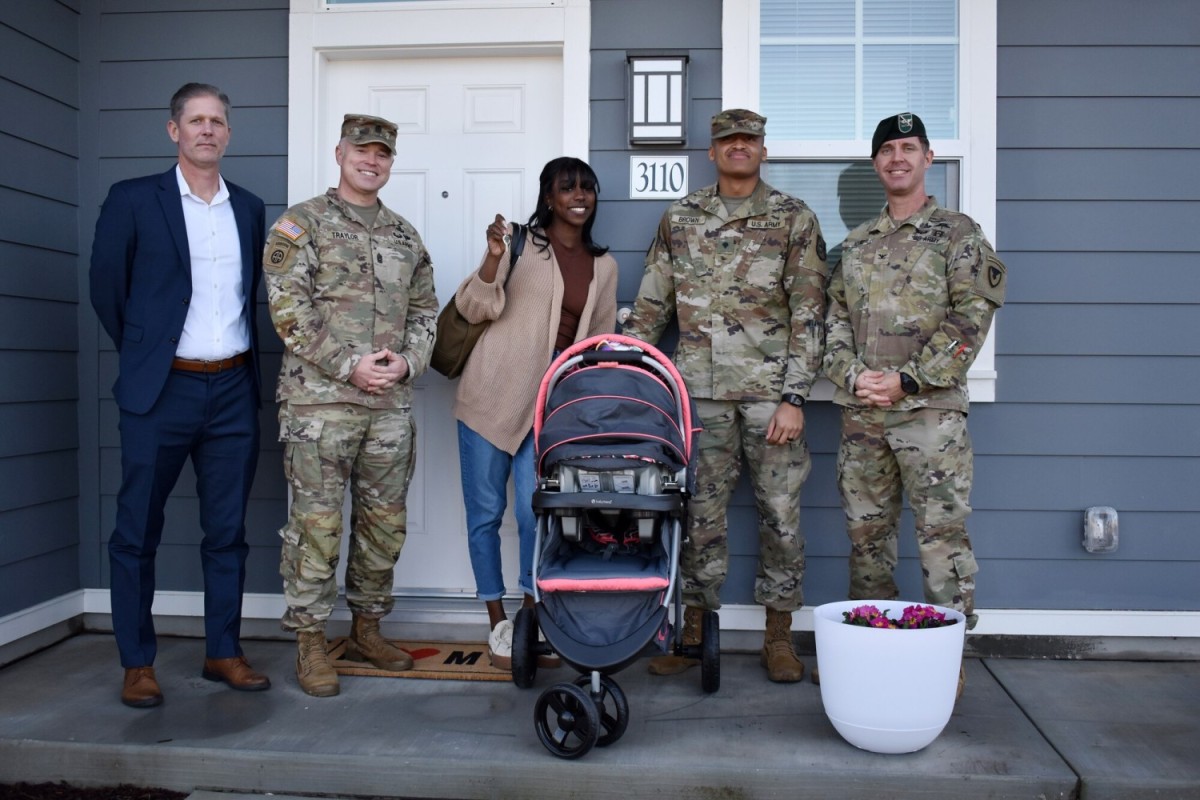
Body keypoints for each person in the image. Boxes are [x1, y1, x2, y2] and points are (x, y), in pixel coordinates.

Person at [622, 109, 828, 683]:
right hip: (698, 397)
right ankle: (694, 632)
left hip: (770, 400)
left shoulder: (793, 219)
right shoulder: (682, 217)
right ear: (711, 152)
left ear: (764, 148)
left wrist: (794, 396)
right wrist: (626, 368)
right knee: (698, 517)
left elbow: (810, 313)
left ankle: (779, 637)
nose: (739, 147)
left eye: (749, 139)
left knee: (781, 517)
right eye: (727, 140)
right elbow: (652, 305)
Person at [90, 82, 269, 708]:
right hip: (160, 390)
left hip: (232, 391)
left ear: (228, 131)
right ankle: (137, 661)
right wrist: (150, 354)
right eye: (195, 121)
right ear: (174, 131)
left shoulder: (248, 207)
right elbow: (108, 292)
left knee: (227, 531)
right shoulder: (133, 200)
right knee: (136, 530)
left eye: (217, 121)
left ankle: (223, 650)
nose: (207, 131)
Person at [822, 112, 1007, 692]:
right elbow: (831, 325)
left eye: (909, 148)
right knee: (866, 541)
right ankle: (874, 655)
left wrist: (908, 380)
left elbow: (970, 318)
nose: (897, 158)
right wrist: (853, 377)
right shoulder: (853, 247)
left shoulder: (958, 233)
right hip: (863, 419)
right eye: (887, 150)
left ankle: (944, 664)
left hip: (930, 416)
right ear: (875, 164)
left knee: (941, 542)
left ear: (928, 158)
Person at [263, 114, 439, 697]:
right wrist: (348, 364)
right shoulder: (301, 225)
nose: (372, 161)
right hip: (319, 407)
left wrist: (409, 362)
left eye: (383, 154)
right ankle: (311, 643)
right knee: (315, 527)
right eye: (362, 150)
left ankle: (368, 628)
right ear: (339, 152)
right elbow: (289, 310)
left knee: (383, 527)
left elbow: (424, 313)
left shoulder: (404, 236)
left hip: (388, 409)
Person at [452, 157, 619, 669]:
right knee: (484, 514)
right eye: (566, 187)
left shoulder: (604, 264)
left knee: (535, 515)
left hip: (551, 408)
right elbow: (474, 307)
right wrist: (493, 256)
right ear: (548, 196)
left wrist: (589, 404)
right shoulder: (521, 243)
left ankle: (532, 615)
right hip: (490, 396)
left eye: (587, 187)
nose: (578, 195)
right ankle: (495, 621)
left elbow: (601, 341)